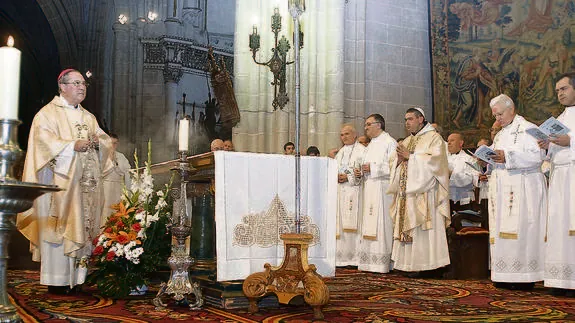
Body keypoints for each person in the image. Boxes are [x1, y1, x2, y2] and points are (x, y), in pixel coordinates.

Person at [16, 69, 113, 294]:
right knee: (59, 231)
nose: (82, 87)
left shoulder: (89, 117)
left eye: (84, 84)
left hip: (85, 187)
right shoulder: (47, 114)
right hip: (59, 188)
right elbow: (42, 143)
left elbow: (105, 142)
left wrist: (99, 144)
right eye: (77, 83)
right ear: (63, 86)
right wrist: (71, 146)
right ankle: (57, 280)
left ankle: (78, 279)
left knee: (83, 227)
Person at [488, 93, 547, 290]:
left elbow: (538, 156)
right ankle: (504, 274)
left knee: (522, 229)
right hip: (502, 188)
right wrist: (486, 160)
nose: (497, 119)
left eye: (500, 114)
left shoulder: (529, 129)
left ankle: (524, 276)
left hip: (523, 187)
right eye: (495, 116)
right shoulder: (500, 134)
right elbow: (496, 159)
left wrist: (508, 157)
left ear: (511, 109)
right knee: (501, 230)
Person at [387, 107, 450, 274]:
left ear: (421, 119)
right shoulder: (407, 141)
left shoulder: (434, 138)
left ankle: (428, 266)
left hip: (426, 195)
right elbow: (395, 164)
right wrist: (398, 161)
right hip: (407, 195)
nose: (407, 123)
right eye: (405, 120)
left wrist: (411, 157)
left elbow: (437, 164)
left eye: (410, 119)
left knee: (424, 230)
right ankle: (408, 265)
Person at [542, 72, 575, 295]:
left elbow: (567, 143)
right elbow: (552, 153)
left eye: (563, 89)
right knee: (559, 226)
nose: (559, 94)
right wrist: (546, 145)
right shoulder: (560, 119)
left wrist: (570, 141)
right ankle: (560, 279)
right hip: (559, 176)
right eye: (557, 91)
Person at [358, 114, 397, 273]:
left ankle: (383, 263)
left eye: (368, 124)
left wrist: (372, 169)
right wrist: (360, 171)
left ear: (379, 125)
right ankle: (368, 262)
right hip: (369, 188)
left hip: (383, 191)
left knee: (382, 225)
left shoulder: (390, 142)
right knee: (368, 223)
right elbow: (364, 166)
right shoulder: (371, 145)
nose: (365, 128)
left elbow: (395, 168)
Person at [334, 124, 366, 267]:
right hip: (341, 192)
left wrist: (348, 177)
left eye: (347, 134)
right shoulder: (340, 152)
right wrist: (336, 176)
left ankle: (354, 258)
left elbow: (364, 172)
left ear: (355, 135)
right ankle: (341, 258)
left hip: (355, 193)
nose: (344, 137)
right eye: (341, 135)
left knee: (354, 224)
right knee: (341, 225)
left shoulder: (363, 151)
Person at [100, 133, 131, 224]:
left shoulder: (121, 156)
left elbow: (127, 171)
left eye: (115, 143)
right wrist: (110, 159)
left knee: (117, 212)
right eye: (111, 143)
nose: (113, 145)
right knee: (105, 212)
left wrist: (116, 162)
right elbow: (100, 172)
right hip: (105, 188)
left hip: (118, 189)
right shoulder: (100, 155)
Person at [447, 133, 479, 210]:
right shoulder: (444, 159)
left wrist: (451, 174)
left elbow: (471, 179)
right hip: (447, 201)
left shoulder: (469, 159)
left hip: (464, 200)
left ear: (461, 143)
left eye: (452, 140)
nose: (449, 143)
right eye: (448, 141)